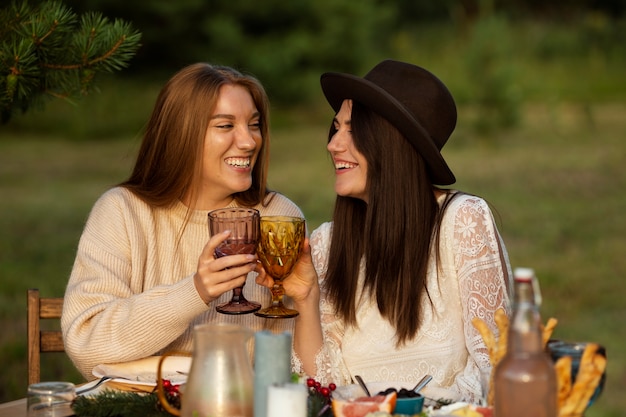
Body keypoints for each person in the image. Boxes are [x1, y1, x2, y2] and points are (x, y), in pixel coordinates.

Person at [258, 60, 512, 403]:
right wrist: (306, 299)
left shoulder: (462, 221)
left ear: (391, 143)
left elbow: (495, 364)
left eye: (352, 130)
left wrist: (413, 408)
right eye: (336, 129)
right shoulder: (327, 244)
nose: (334, 144)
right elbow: (318, 388)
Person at [61, 63, 303, 379]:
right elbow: (86, 345)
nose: (248, 141)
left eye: (254, 124)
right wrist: (194, 292)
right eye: (225, 126)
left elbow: (295, 362)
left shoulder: (277, 216)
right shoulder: (122, 211)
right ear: (181, 133)